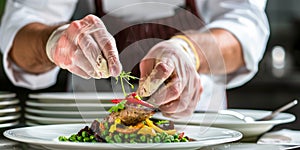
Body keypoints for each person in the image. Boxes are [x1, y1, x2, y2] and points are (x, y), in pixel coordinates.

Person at [0, 0, 269, 118]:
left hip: (195, 121)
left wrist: (188, 50)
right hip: (90, 122)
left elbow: (245, 27)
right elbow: (20, 32)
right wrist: (54, 40)